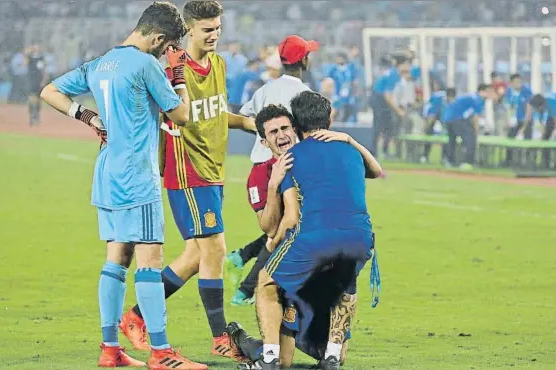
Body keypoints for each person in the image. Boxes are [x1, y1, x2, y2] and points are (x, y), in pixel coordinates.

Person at [40, 2, 209, 369]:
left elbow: (49, 91)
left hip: (107, 174)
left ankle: (110, 349)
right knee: (151, 260)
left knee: (117, 259)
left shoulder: (101, 63)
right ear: (159, 37)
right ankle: (162, 354)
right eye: (165, 47)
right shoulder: (146, 64)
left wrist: (86, 116)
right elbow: (181, 116)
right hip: (137, 176)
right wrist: (178, 76)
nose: (165, 53)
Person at [119, 0, 256, 361]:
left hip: (214, 171)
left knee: (197, 256)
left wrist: (249, 123)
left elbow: (216, 113)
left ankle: (135, 316)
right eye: (207, 29)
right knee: (215, 250)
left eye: (218, 28)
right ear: (189, 30)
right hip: (187, 172)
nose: (215, 35)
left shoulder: (219, 65)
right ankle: (219, 338)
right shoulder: (171, 75)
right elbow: (167, 122)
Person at [227, 103, 382, 370]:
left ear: (296, 129)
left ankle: (285, 355)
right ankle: (245, 340)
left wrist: (274, 244)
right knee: (286, 359)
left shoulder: (304, 158)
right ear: (264, 141)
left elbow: (290, 222)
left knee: (269, 283)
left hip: (306, 252)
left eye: (285, 128)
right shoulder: (260, 175)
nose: (281, 135)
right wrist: (274, 184)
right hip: (307, 257)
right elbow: (267, 225)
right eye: (273, 132)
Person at [224, 34, 321, 306]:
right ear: (304, 59)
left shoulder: (265, 89)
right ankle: (246, 289)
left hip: (260, 166)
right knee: (284, 230)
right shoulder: (306, 95)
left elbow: (246, 117)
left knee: (284, 226)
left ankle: (242, 258)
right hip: (286, 165)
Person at [441, 84, 495, 170]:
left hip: (448, 118)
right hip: (458, 118)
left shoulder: (471, 96)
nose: (490, 94)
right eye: (488, 92)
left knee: (452, 140)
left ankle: (449, 160)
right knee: (470, 139)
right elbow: (475, 117)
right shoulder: (478, 99)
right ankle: (467, 162)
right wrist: (476, 131)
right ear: (482, 91)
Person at [370, 55, 410, 157]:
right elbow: (387, 95)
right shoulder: (394, 75)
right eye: (406, 64)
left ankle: (382, 151)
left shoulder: (392, 72)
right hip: (379, 100)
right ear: (401, 65)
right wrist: (398, 111)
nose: (408, 67)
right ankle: (375, 152)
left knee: (386, 126)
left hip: (377, 98)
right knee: (380, 126)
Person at [420, 85, 456, 163]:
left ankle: (444, 158)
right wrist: (427, 126)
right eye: (450, 98)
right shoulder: (437, 99)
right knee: (429, 132)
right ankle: (424, 156)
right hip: (431, 113)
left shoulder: (454, 101)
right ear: (447, 96)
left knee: (447, 135)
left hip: (442, 116)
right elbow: (431, 115)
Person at [528, 93, 556, 167]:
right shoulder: (541, 107)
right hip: (551, 119)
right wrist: (543, 134)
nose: (535, 110)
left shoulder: (552, 102)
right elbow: (542, 123)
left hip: (554, 118)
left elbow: (554, 120)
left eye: (536, 108)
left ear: (540, 105)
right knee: (544, 140)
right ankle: (545, 163)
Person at [506, 73, 534, 140]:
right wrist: (508, 119)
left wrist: (523, 127)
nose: (518, 84)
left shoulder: (527, 91)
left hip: (526, 120)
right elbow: (510, 107)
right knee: (510, 139)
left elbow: (529, 110)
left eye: (519, 82)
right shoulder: (509, 91)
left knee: (527, 141)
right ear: (511, 83)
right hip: (515, 120)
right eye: (515, 82)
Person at [26, 45, 47, 126]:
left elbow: (44, 70)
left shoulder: (41, 58)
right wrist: (28, 53)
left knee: (38, 99)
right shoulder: (30, 58)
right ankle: (31, 116)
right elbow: (25, 61)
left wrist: (43, 80)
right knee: (31, 98)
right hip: (31, 80)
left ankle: (37, 116)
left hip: (39, 81)